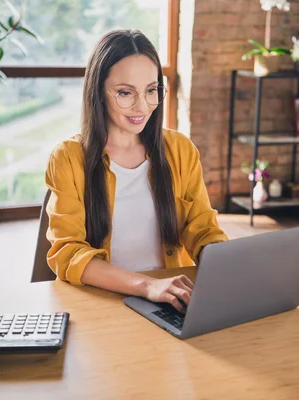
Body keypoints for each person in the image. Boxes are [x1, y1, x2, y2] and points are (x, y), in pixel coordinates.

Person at [45, 29, 228, 313]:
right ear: (98, 92)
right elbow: (68, 253)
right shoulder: (68, 158)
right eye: (125, 93)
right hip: (103, 300)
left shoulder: (180, 150)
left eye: (151, 90)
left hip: (170, 299)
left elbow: (202, 229)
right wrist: (146, 286)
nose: (142, 106)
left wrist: (228, 263)